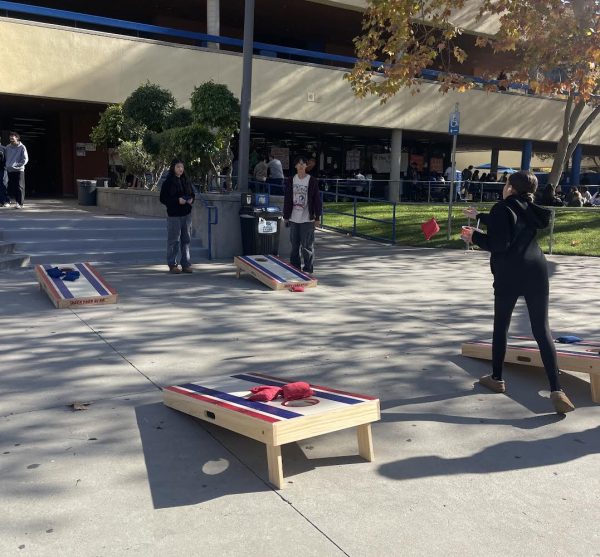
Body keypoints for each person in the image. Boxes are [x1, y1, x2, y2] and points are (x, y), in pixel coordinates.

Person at [461, 170, 575, 414]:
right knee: (541, 330)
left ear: (511, 188)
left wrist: (475, 237)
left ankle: (497, 378)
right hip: (536, 270)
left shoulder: (502, 207)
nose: (503, 187)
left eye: (506, 183)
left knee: (501, 325)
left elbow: (499, 243)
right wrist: (479, 215)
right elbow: (512, 222)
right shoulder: (529, 207)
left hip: (510, 273)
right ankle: (557, 390)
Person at [283, 155, 322, 275]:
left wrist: (317, 218)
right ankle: (295, 268)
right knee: (294, 246)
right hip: (294, 218)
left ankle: (308, 269)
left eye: (303, 163)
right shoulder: (291, 180)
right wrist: (286, 216)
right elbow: (287, 199)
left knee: (307, 246)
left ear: (306, 166)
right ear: (295, 166)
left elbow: (316, 200)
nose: (301, 165)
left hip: (307, 219)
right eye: (298, 163)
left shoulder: (312, 180)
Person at [159, 158, 195, 274]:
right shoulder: (168, 182)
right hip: (174, 215)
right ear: (173, 168)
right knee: (174, 240)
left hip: (186, 214)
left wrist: (191, 199)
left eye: (182, 167)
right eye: (178, 167)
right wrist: (177, 201)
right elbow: (163, 199)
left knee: (186, 240)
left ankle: (186, 264)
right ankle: (172, 264)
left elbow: (192, 194)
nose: (180, 169)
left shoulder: (186, 181)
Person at [4, 132, 28, 208]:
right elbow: (6, 157)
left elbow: (25, 159)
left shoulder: (22, 147)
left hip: (19, 170)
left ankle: (20, 203)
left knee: (20, 186)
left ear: (17, 138)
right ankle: (16, 202)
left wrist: (18, 165)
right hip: (10, 170)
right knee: (13, 187)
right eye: (10, 137)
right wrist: (8, 165)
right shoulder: (7, 147)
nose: (11, 138)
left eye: (12, 137)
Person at [0, 141, 6, 206]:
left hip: (2, 169)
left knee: (2, 184)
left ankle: (3, 201)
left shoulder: (4, 148)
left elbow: (6, 159)